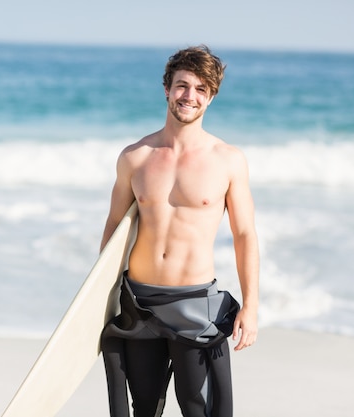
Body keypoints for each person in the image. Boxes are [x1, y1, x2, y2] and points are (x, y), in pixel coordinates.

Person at [99, 45, 259, 417]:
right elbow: (113, 227)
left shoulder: (227, 160)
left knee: (200, 409)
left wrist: (250, 306)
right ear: (167, 89)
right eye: (182, 85)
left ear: (211, 96)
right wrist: (99, 300)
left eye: (201, 89)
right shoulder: (135, 156)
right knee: (143, 409)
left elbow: (245, 235)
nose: (190, 96)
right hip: (139, 304)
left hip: (196, 306)